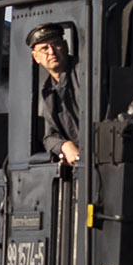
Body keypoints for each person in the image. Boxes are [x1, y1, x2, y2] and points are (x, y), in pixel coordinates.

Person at [29, 25, 85, 166]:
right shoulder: (47, 90)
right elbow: (49, 136)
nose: (52, 52)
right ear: (36, 57)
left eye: (56, 45)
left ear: (65, 46)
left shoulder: (84, 72)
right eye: (45, 49)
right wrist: (65, 146)